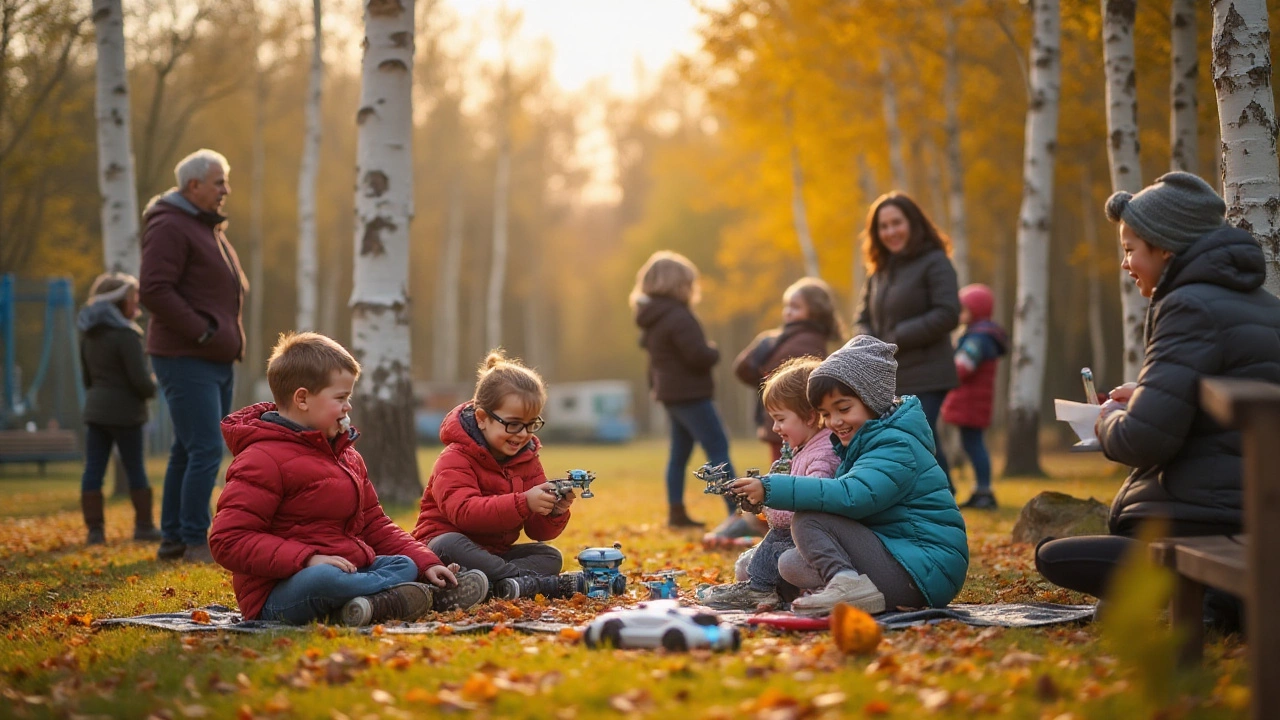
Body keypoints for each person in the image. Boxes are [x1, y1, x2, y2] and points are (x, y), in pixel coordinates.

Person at [1035, 172, 1280, 629]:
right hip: (1249, 513)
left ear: (1165, 248)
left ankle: (1211, 594)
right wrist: (1143, 395)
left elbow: (1144, 440)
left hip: (1200, 520)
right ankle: (1214, 598)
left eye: (1130, 250)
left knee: (1052, 554)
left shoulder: (1187, 306)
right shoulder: (1264, 306)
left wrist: (1107, 418)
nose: (1125, 264)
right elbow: (1208, 404)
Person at [209, 332, 489, 626]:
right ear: (302, 398)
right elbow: (228, 540)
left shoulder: (346, 457)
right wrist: (307, 559)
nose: (348, 407)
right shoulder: (261, 459)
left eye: (349, 397)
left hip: (351, 570)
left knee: (403, 564)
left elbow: (375, 524)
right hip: (282, 592)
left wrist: (426, 562)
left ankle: (370, 604)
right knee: (324, 578)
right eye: (340, 398)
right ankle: (412, 596)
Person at [730, 336, 969, 616]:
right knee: (790, 562)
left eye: (843, 409)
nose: (834, 422)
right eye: (826, 414)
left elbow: (853, 496)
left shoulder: (895, 445)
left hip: (923, 571)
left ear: (872, 400)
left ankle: (847, 584)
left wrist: (771, 488)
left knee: (810, 516)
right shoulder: (862, 444)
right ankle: (838, 587)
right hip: (902, 561)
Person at [140, 148, 248, 564]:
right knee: (204, 447)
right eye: (219, 182)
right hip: (186, 355)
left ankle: (172, 538)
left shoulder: (203, 226)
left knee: (188, 449)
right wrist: (202, 332)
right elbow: (154, 289)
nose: (226, 189)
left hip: (211, 357)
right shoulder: (171, 225)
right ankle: (192, 539)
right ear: (193, 185)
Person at [412, 350, 582, 600]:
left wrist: (554, 511)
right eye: (513, 424)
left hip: (494, 555)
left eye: (531, 424)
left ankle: (495, 584)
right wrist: (524, 501)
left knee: (549, 556)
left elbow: (538, 532)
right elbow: (465, 513)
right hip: (442, 551)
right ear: (482, 418)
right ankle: (518, 582)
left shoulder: (528, 459)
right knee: (447, 544)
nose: (523, 434)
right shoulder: (454, 458)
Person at [700, 357, 840, 610]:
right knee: (745, 566)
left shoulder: (823, 454)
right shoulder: (802, 449)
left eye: (780, 419)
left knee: (786, 560)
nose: (775, 428)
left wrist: (769, 499)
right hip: (793, 539)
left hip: (814, 544)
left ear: (809, 417)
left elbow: (812, 505)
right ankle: (769, 587)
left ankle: (774, 589)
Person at [855, 193, 961, 490]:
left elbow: (948, 313)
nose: (890, 232)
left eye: (896, 223)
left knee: (915, 436)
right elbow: (862, 316)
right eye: (883, 226)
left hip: (928, 372)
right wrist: (863, 340)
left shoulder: (935, 261)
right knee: (911, 438)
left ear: (913, 223)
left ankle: (941, 497)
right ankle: (938, 495)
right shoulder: (879, 271)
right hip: (888, 376)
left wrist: (893, 338)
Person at [630, 250, 737, 529]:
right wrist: (713, 351)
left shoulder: (652, 317)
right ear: (679, 284)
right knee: (718, 449)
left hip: (671, 395)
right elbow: (698, 356)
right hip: (692, 394)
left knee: (678, 455)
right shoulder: (679, 316)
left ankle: (676, 513)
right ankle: (737, 513)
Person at [76, 272, 159, 545]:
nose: (137, 302)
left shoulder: (88, 334)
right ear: (119, 301)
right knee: (135, 468)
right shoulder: (127, 335)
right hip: (127, 414)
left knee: (93, 470)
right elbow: (140, 382)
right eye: (133, 297)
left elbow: (87, 378)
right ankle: (144, 527)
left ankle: (95, 531)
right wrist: (154, 384)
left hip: (96, 411)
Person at [940, 284, 1008, 509]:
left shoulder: (978, 338)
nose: (960, 314)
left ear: (977, 310)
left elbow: (964, 366)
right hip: (971, 401)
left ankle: (984, 491)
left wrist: (945, 368)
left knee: (975, 445)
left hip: (971, 401)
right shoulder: (979, 334)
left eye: (964, 309)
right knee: (972, 444)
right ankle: (981, 489)